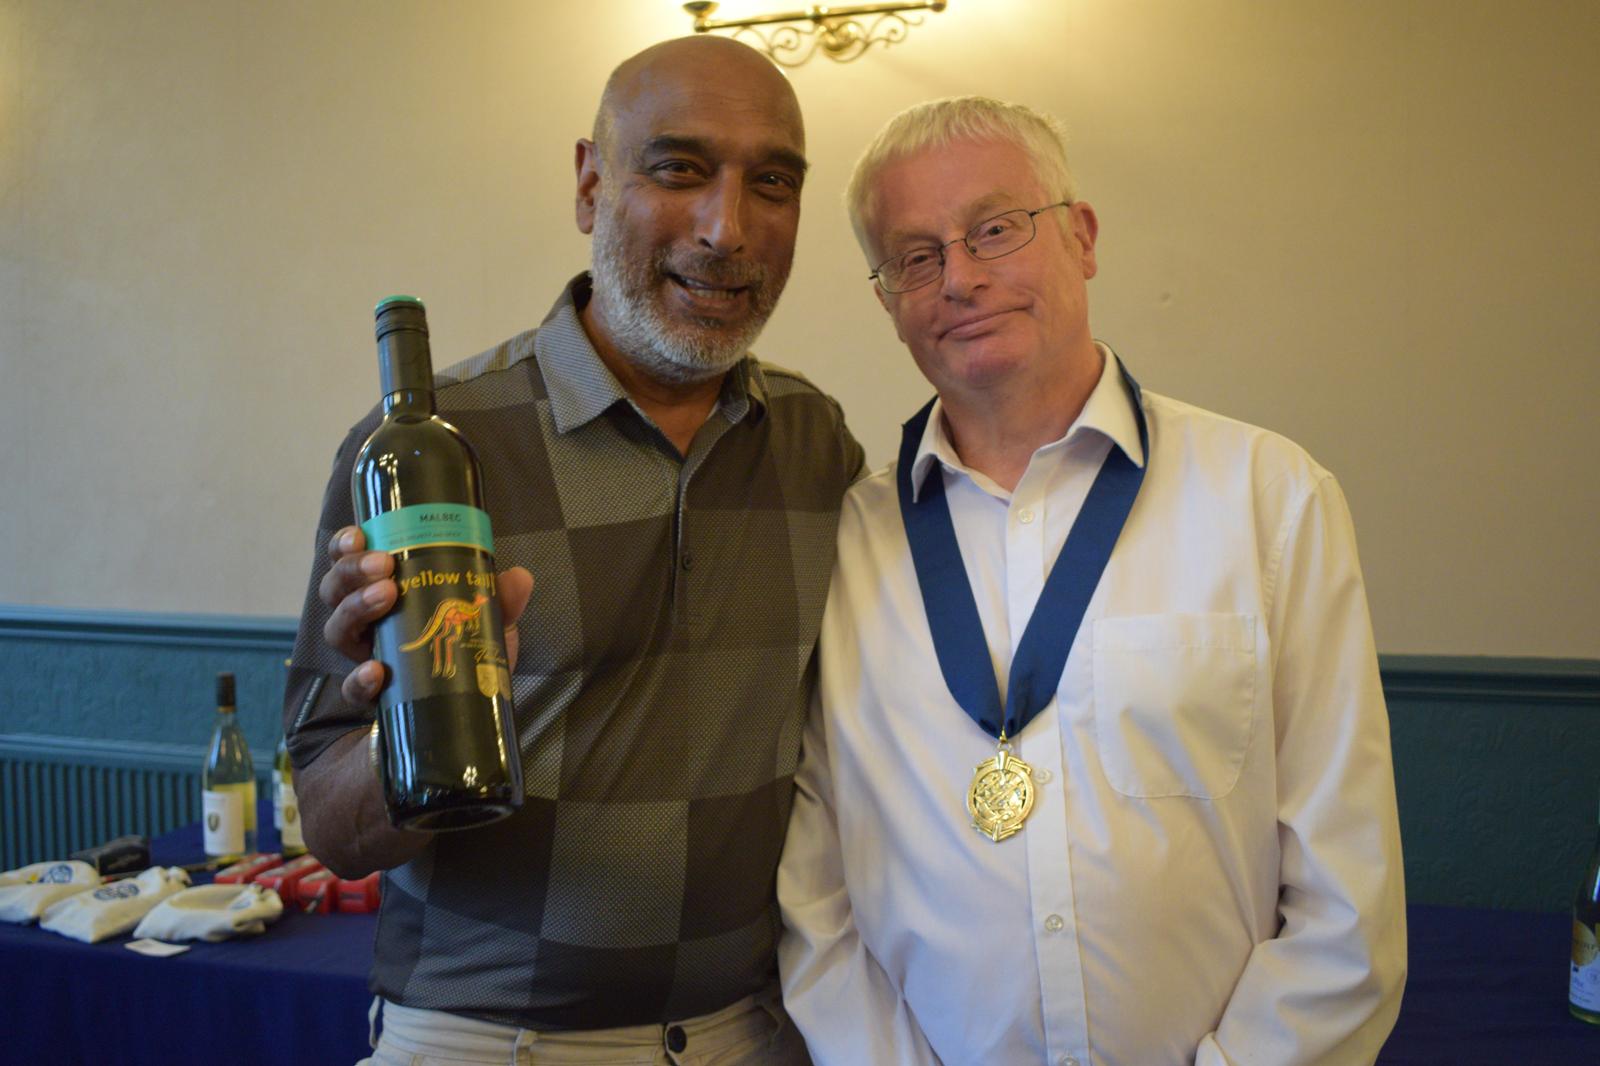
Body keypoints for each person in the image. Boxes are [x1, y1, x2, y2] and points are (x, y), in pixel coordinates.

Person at [777, 96, 1406, 1065]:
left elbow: (1344, 890)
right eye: (916, 256)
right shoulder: (845, 541)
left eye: (995, 229)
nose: (960, 278)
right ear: (888, 299)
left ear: (1082, 237)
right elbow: (816, 900)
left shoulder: (1268, 496)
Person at [283, 36, 863, 1065]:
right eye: (678, 169)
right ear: (591, 186)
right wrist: (427, 725)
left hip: (755, 1033)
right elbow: (334, 829)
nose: (728, 228)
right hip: (486, 1039)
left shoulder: (815, 444)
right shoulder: (435, 453)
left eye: (772, 183)